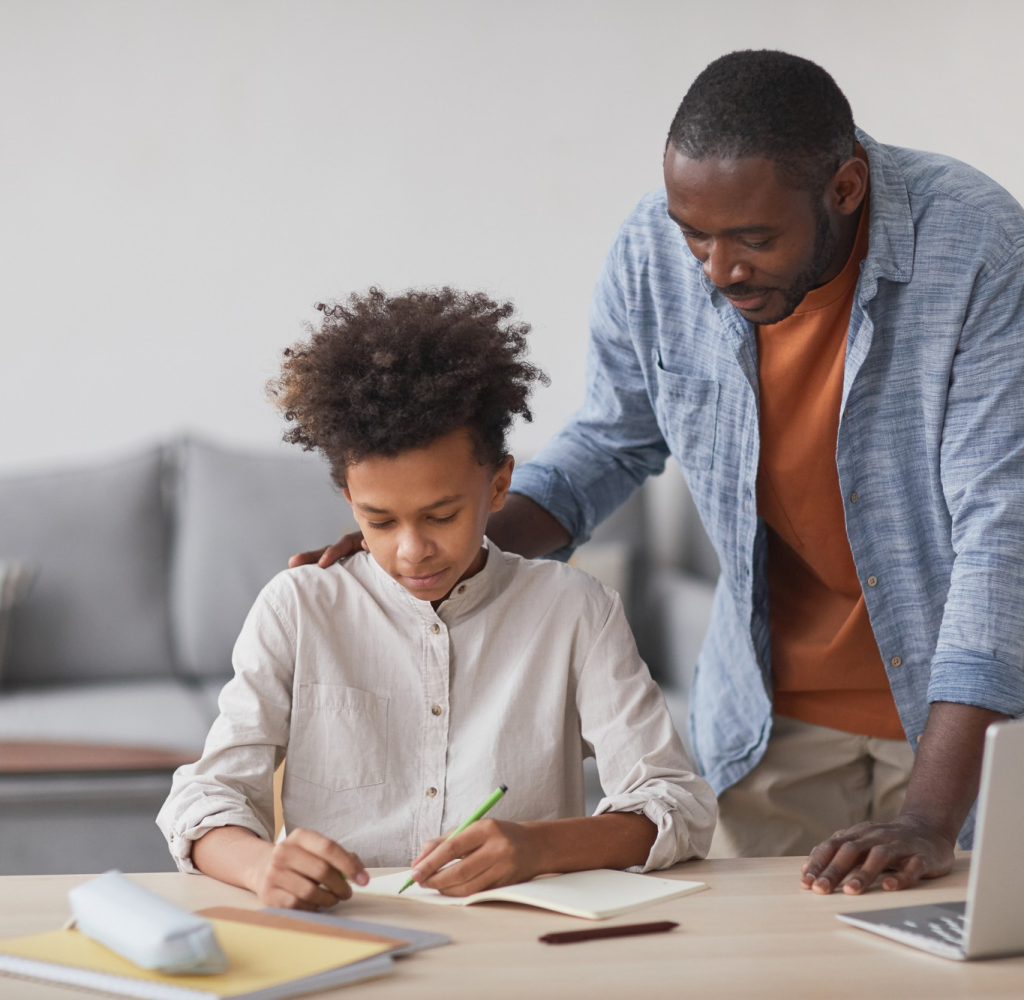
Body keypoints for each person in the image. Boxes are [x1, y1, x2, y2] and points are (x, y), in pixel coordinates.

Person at [297, 51, 1024, 896]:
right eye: (698, 236)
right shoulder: (653, 248)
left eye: (755, 239)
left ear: (847, 189)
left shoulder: (976, 247)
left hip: (959, 727)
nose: (718, 271)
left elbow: (1001, 530)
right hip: (766, 721)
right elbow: (609, 443)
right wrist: (438, 538)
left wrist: (932, 817)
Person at [157, 287, 716, 909]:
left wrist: (540, 847)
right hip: (350, 929)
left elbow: (679, 807)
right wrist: (263, 866)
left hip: (516, 939)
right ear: (347, 497)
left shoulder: (573, 610)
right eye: (380, 520)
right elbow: (201, 802)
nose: (411, 551)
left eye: (441, 515)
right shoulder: (299, 609)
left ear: (500, 483)